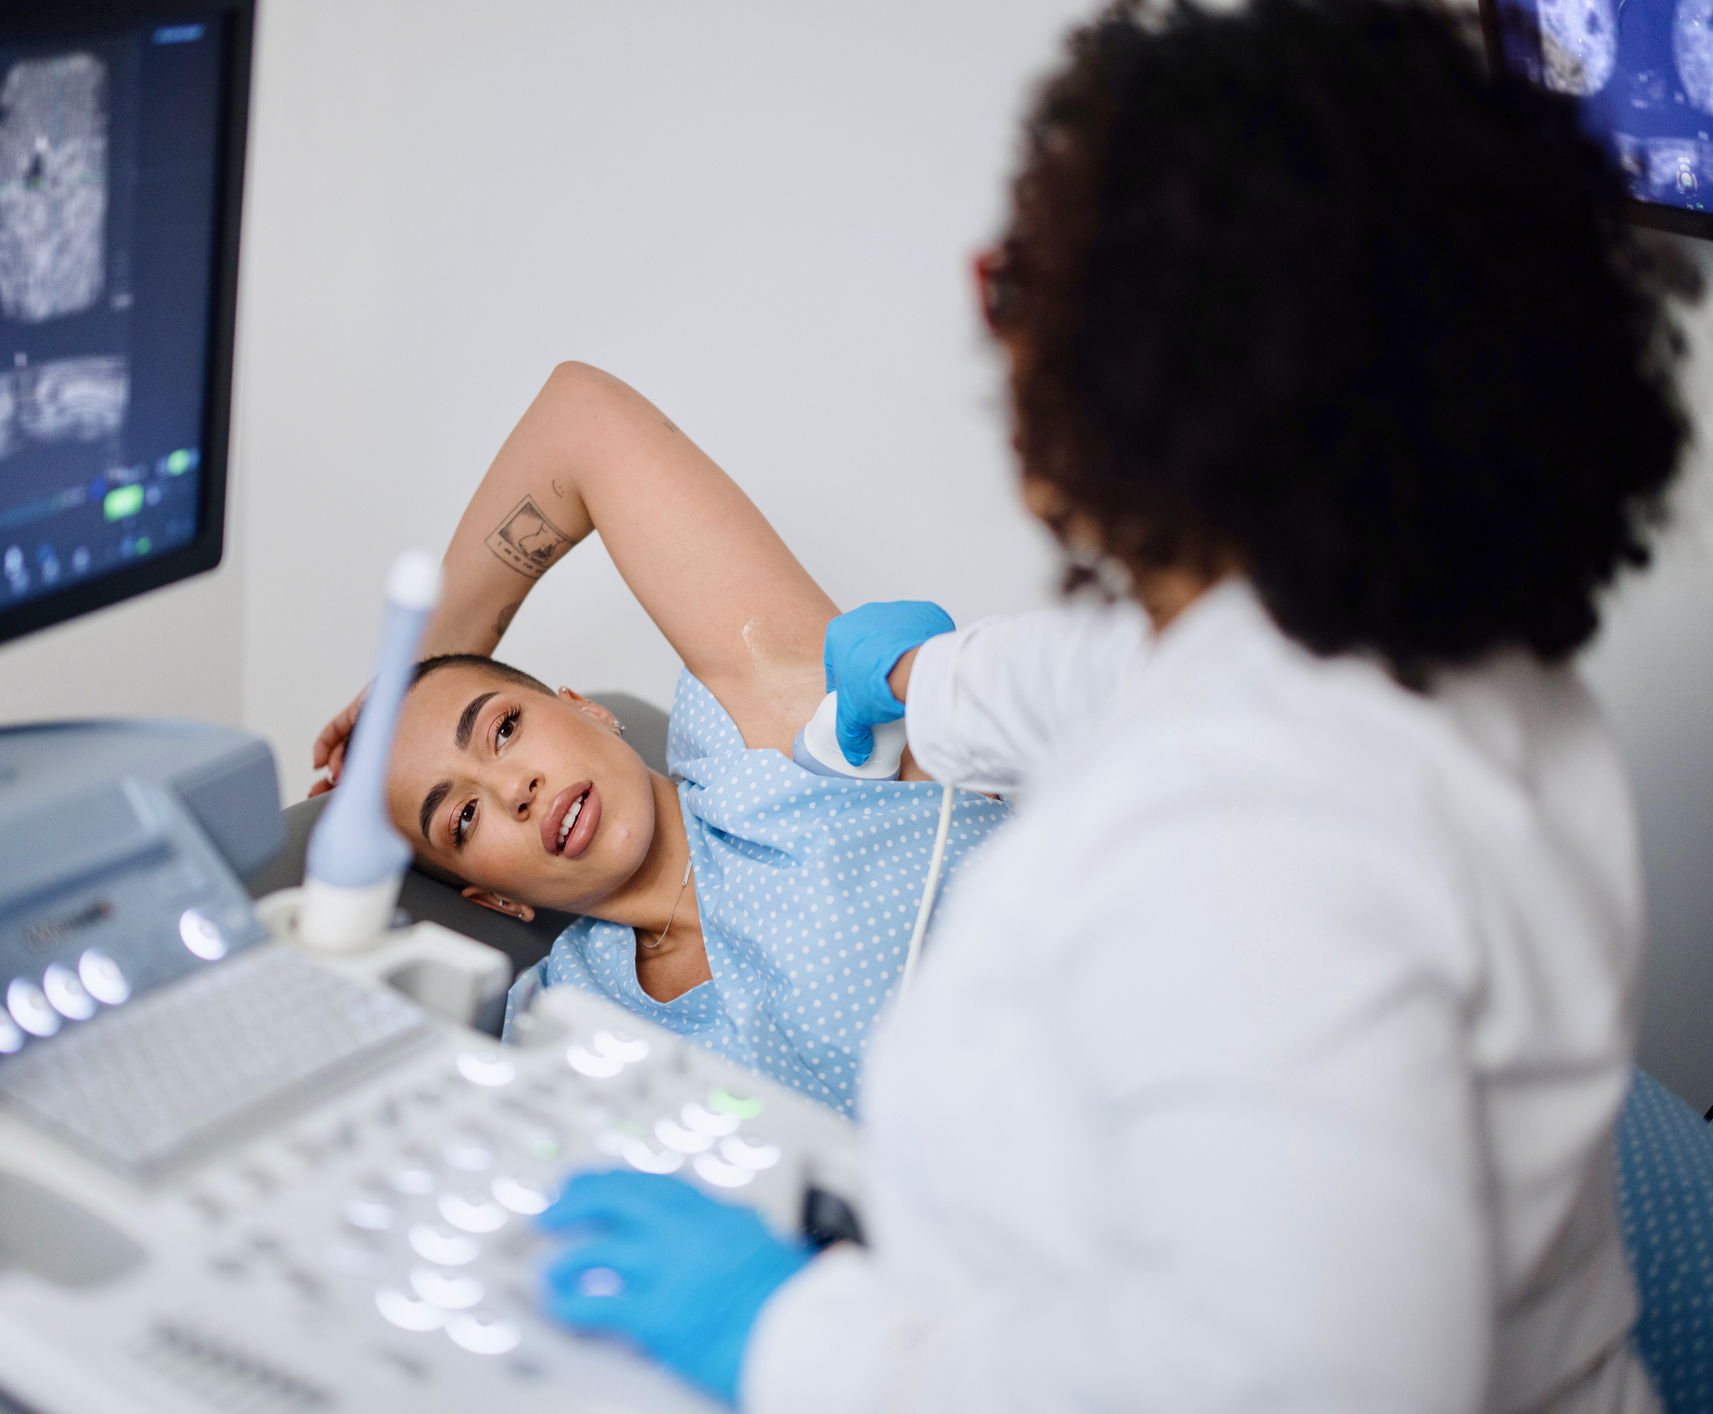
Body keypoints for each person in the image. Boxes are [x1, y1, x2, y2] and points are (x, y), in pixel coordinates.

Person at [531, 1, 1695, 1410]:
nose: (990, 307)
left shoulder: (1245, 842)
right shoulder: (1435, 641)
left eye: (1022, 280)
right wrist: (917, 684)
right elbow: (1124, 675)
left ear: (1137, 374)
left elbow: (1306, 1382)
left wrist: (791, 1336)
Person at [308, 362, 1011, 1116]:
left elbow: (578, 417)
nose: (513, 790)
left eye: (504, 728)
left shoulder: (766, 739)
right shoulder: (566, 1025)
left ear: (587, 708)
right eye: (464, 818)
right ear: (496, 900)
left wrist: (414, 667)